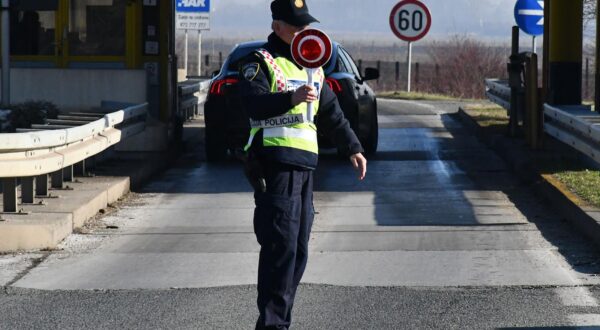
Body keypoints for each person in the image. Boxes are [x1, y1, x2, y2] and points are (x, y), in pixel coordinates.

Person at [238, 0, 368, 329]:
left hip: (305, 168)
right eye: (295, 25)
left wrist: (352, 146)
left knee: (298, 250)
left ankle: (278, 321)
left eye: (305, 25)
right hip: (275, 164)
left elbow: (330, 113)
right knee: (280, 248)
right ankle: (272, 325)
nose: (302, 31)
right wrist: (289, 98)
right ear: (277, 26)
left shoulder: (312, 66)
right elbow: (252, 103)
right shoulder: (259, 62)